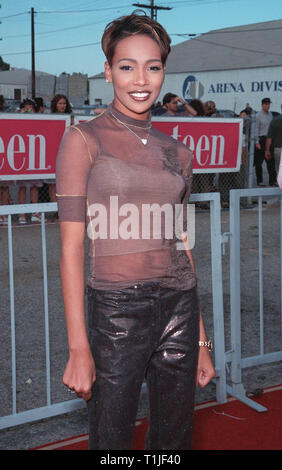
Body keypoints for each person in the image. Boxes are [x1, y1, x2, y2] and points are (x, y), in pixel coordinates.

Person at [56, 12, 215, 451]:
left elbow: (182, 246)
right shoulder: (83, 140)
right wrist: (78, 348)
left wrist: (201, 339)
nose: (140, 79)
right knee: (112, 443)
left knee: (174, 441)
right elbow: (71, 249)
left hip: (179, 308)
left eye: (153, 66)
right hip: (115, 312)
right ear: (108, 71)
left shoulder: (177, 152)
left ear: (164, 70)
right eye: (127, 66)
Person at [17, 99, 43, 224]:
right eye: (25, 108)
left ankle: (35, 212)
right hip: (22, 157)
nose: (28, 110)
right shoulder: (16, 119)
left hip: (35, 156)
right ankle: (21, 214)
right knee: (22, 187)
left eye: (30, 108)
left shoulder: (39, 120)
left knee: (34, 187)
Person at [49, 94, 72, 210]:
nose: (62, 106)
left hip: (67, 154)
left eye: (64, 103)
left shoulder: (71, 118)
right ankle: (54, 210)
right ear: (55, 105)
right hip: (53, 153)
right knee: (52, 184)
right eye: (60, 103)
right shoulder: (50, 118)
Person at [254, 97, 276, 186]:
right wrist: (257, 142)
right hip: (261, 139)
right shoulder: (258, 115)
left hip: (269, 139)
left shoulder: (270, 114)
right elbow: (256, 129)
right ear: (262, 105)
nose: (268, 106)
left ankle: (272, 181)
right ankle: (260, 181)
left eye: (269, 104)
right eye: (266, 104)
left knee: (271, 161)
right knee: (259, 162)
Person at [265, 113, 282, 183]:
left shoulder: (275, 121)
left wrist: (267, 150)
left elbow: (269, 138)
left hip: (278, 150)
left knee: (280, 172)